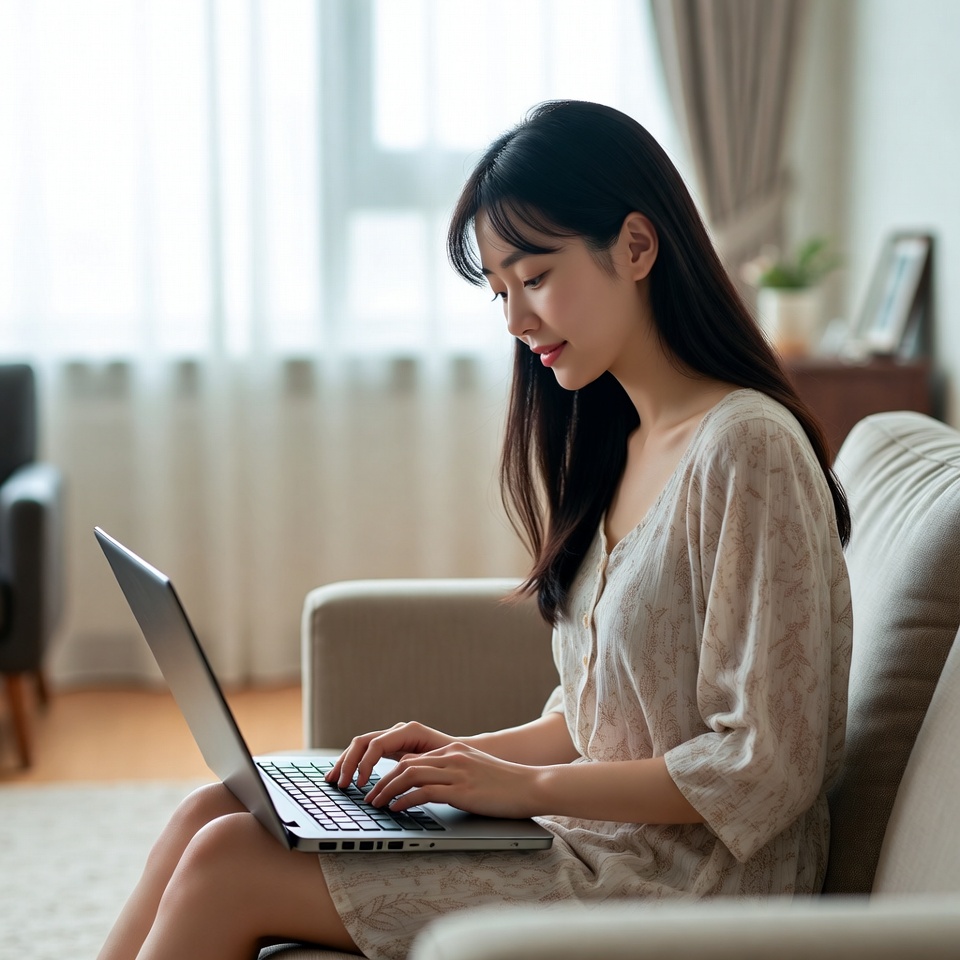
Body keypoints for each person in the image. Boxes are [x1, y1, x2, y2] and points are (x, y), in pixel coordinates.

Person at [99, 100, 853, 960]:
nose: (515, 322)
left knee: (227, 862)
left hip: (690, 885)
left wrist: (523, 786)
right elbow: (602, 719)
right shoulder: (620, 441)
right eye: (500, 291)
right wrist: (456, 762)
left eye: (534, 277)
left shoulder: (747, 447)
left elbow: (766, 764)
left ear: (637, 247)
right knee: (214, 809)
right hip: (592, 842)